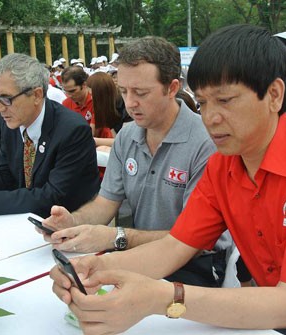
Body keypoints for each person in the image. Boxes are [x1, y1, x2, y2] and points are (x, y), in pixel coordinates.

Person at [50, 24, 286, 334]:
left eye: (226, 100)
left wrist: (163, 297)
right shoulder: (224, 165)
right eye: (202, 102)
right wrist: (95, 268)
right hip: (274, 318)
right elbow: (174, 247)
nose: (211, 118)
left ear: (274, 94)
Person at [43, 36, 232, 288]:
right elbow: (106, 202)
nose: (130, 103)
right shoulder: (128, 135)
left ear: (172, 88)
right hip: (140, 258)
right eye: (123, 91)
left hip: (195, 268)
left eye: (141, 93)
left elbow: (195, 241)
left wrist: (117, 237)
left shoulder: (206, 144)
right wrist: (73, 222)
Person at [0, 53, 99, 218]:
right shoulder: (13, 122)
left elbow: (53, 196)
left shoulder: (72, 130)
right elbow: (4, 172)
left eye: (5, 99)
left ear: (36, 95)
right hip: (25, 220)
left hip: (67, 226)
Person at [85, 72, 121, 147]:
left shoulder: (122, 106)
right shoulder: (102, 108)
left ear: (101, 93)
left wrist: (91, 141)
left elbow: (122, 141)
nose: (91, 98)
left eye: (92, 95)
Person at [61, 66, 95, 132]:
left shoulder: (96, 102)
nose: (69, 95)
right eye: (66, 91)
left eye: (72, 91)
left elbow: (91, 134)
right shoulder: (66, 104)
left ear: (84, 85)